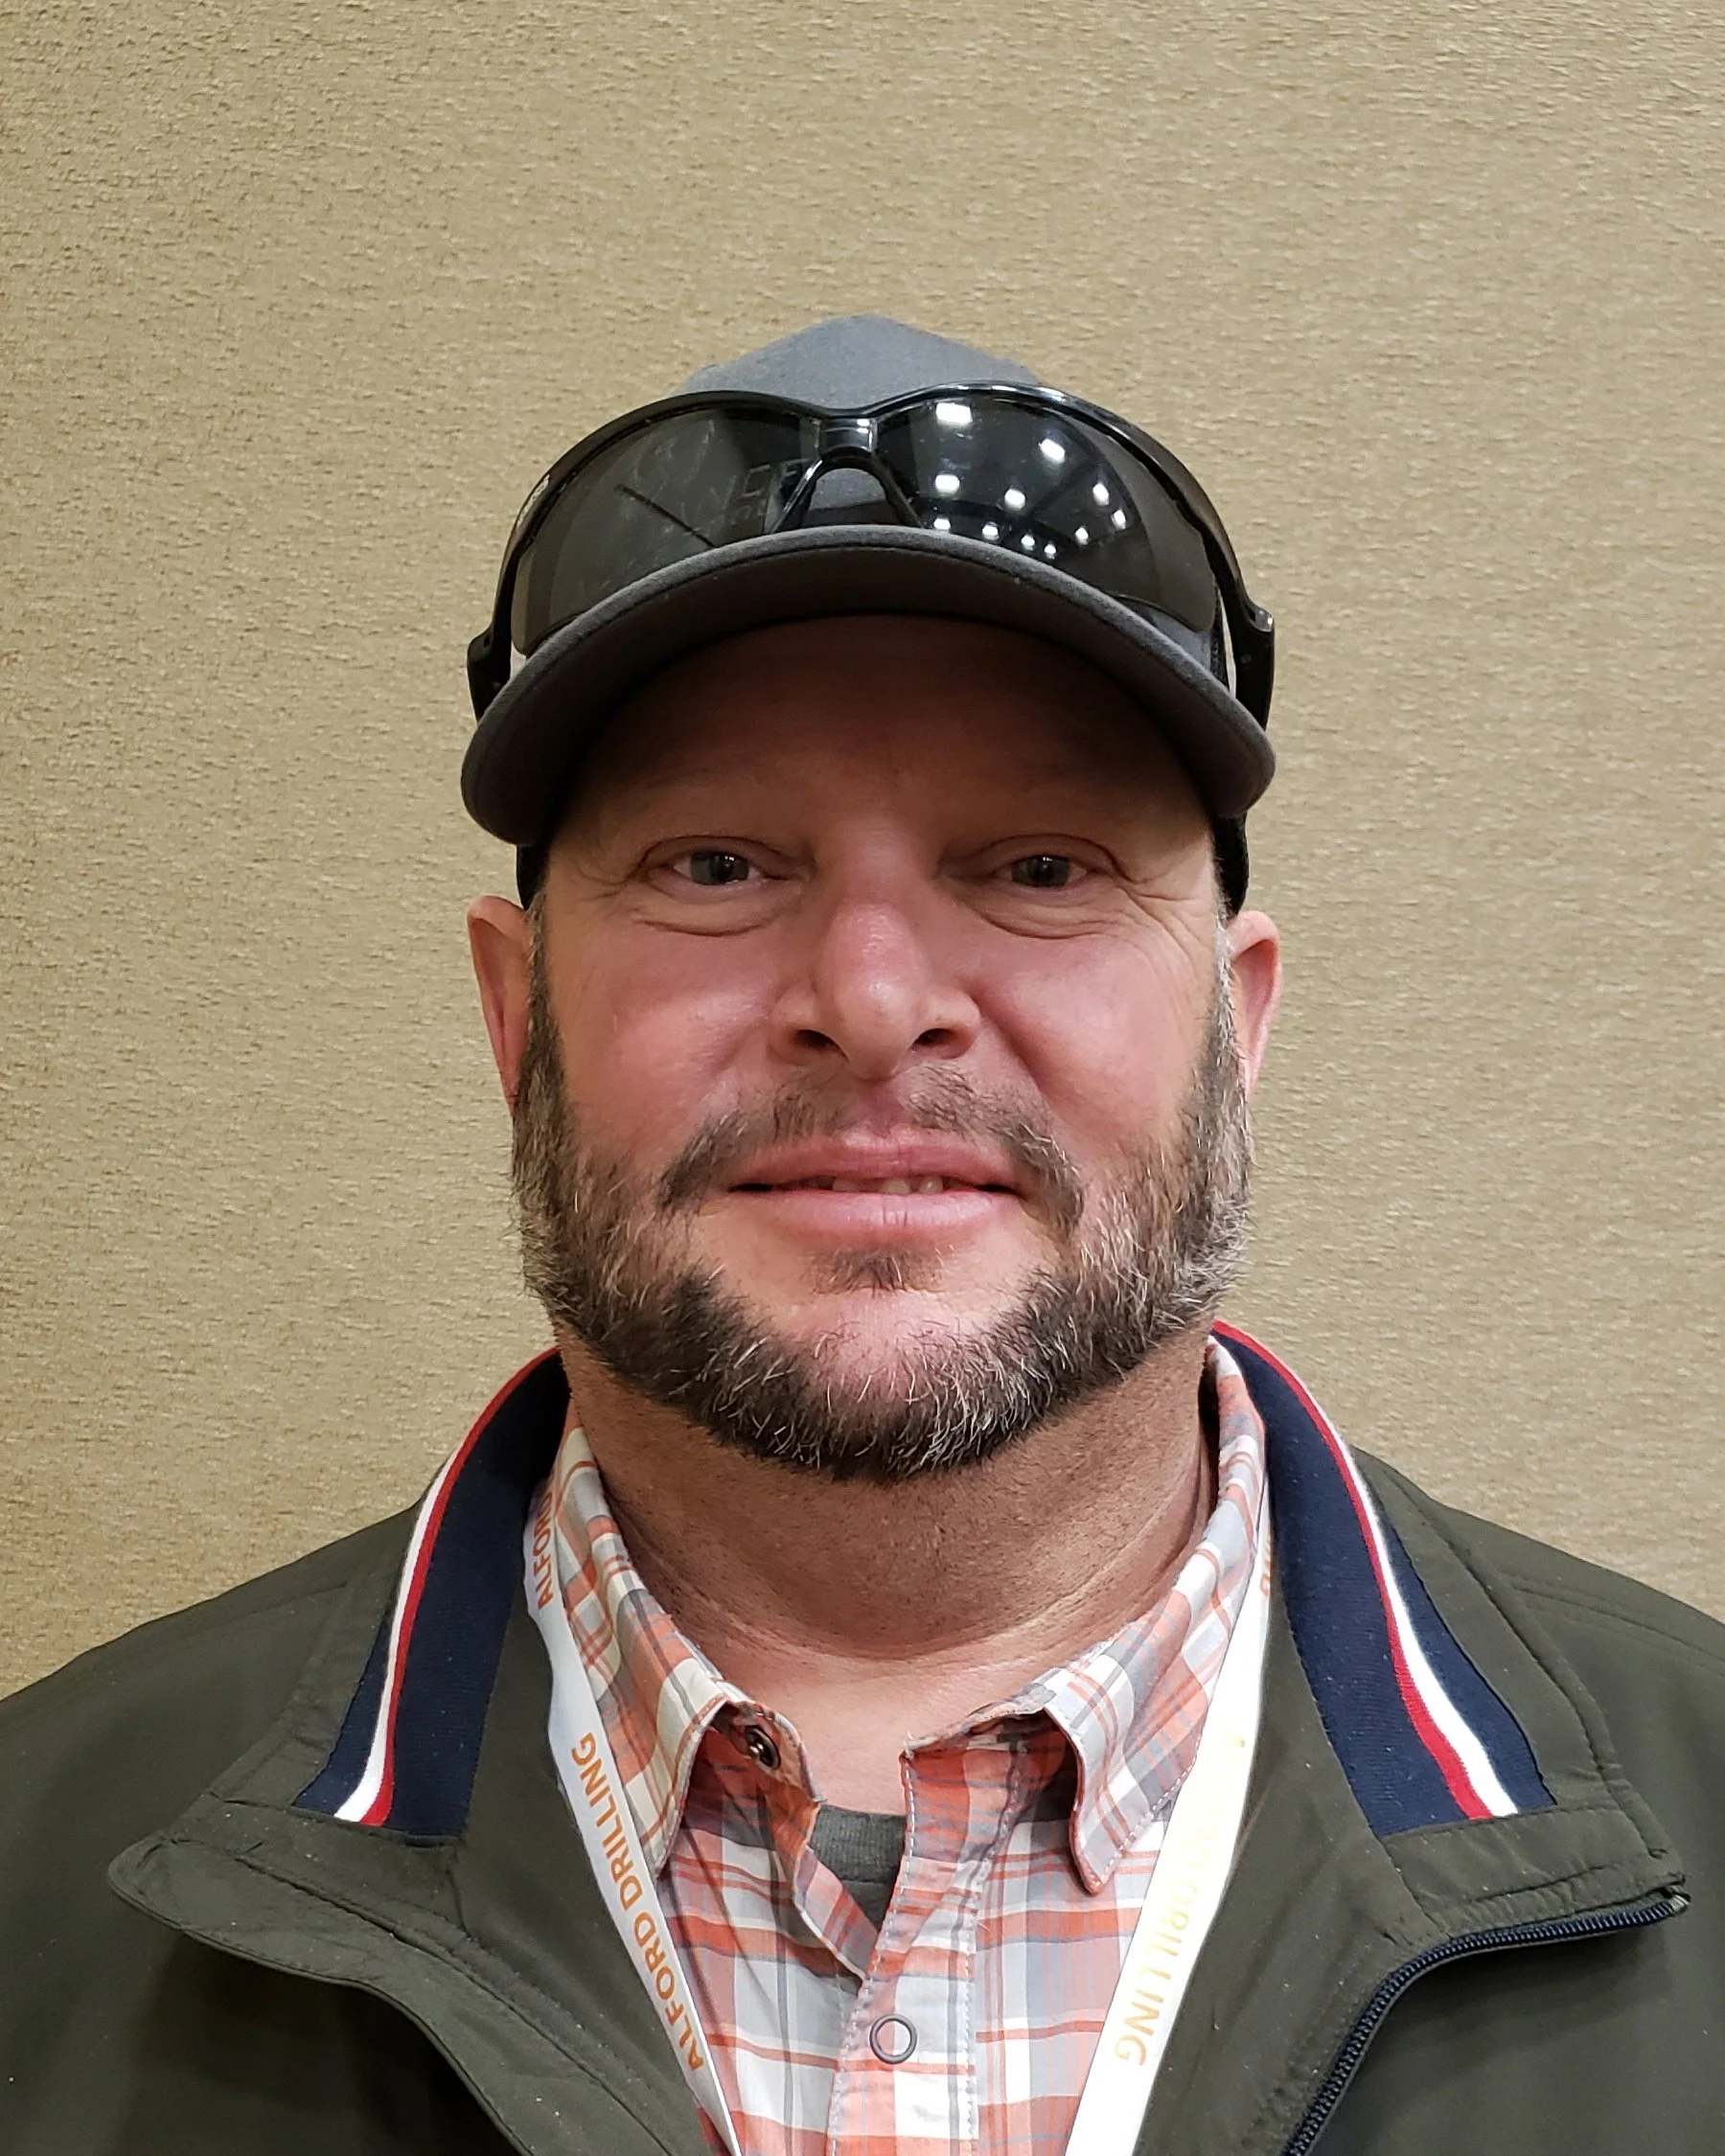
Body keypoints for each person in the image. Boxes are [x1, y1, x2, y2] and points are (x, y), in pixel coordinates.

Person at [1, 314, 1720, 2156]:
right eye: (717, 865)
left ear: (1240, 1026)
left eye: (1041, 865)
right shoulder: (41, 1885)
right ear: (521, 1026)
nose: (877, 998)